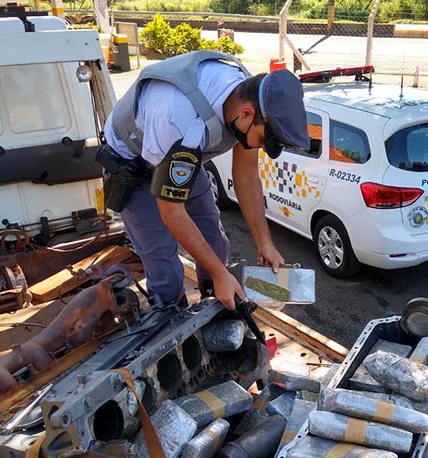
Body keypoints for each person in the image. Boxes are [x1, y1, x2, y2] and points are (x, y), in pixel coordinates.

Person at [97, 51, 309, 311]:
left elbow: (246, 175)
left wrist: (264, 242)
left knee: (214, 241)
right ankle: (169, 326)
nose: (263, 149)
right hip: (134, 166)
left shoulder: (250, 100)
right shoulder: (180, 120)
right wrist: (221, 275)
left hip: (180, 155)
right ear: (246, 113)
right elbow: (172, 212)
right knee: (163, 262)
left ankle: (217, 304)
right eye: (263, 141)